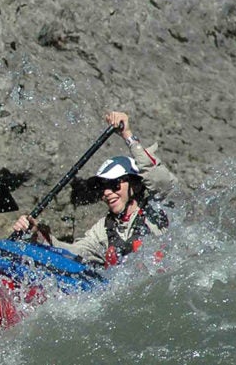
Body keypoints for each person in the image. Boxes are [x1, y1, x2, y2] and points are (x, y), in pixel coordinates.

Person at [11, 111, 177, 267]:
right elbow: (74, 253)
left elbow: (159, 178)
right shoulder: (104, 228)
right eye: (102, 187)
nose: (106, 192)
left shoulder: (158, 207)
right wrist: (37, 235)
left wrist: (127, 135)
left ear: (136, 184)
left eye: (114, 184)